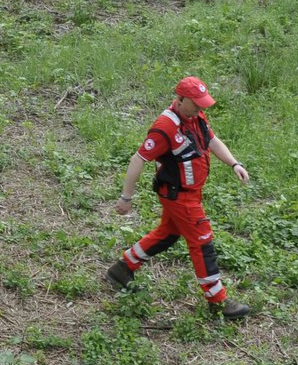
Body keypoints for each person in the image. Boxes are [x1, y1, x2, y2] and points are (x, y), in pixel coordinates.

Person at [107, 76, 252, 319]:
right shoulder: (165, 127)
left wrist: (234, 163)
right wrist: (126, 197)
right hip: (179, 197)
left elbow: (212, 141)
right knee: (202, 240)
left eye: (202, 103)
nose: (200, 108)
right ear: (180, 99)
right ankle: (218, 301)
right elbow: (138, 159)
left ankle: (122, 269)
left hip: (191, 194)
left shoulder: (196, 117)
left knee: (168, 233)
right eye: (196, 103)